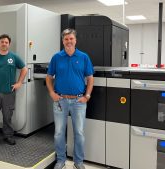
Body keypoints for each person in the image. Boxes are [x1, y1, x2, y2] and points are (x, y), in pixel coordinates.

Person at [46, 29, 94, 169]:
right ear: (63, 41)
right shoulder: (56, 57)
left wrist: (87, 96)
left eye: (71, 39)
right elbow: (48, 78)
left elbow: (90, 78)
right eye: (66, 39)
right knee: (59, 132)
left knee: (79, 132)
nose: (69, 41)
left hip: (79, 101)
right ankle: (61, 160)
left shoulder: (84, 57)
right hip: (60, 100)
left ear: (75, 40)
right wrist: (51, 93)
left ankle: (78, 162)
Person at [0, 34, 28, 146]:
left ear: (9, 44)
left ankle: (8, 136)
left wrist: (19, 83)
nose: (4, 44)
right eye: (2, 42)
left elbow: (24, 69)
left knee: (8, 116)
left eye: (6, 42)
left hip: (9, 93)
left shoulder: (13, 57)